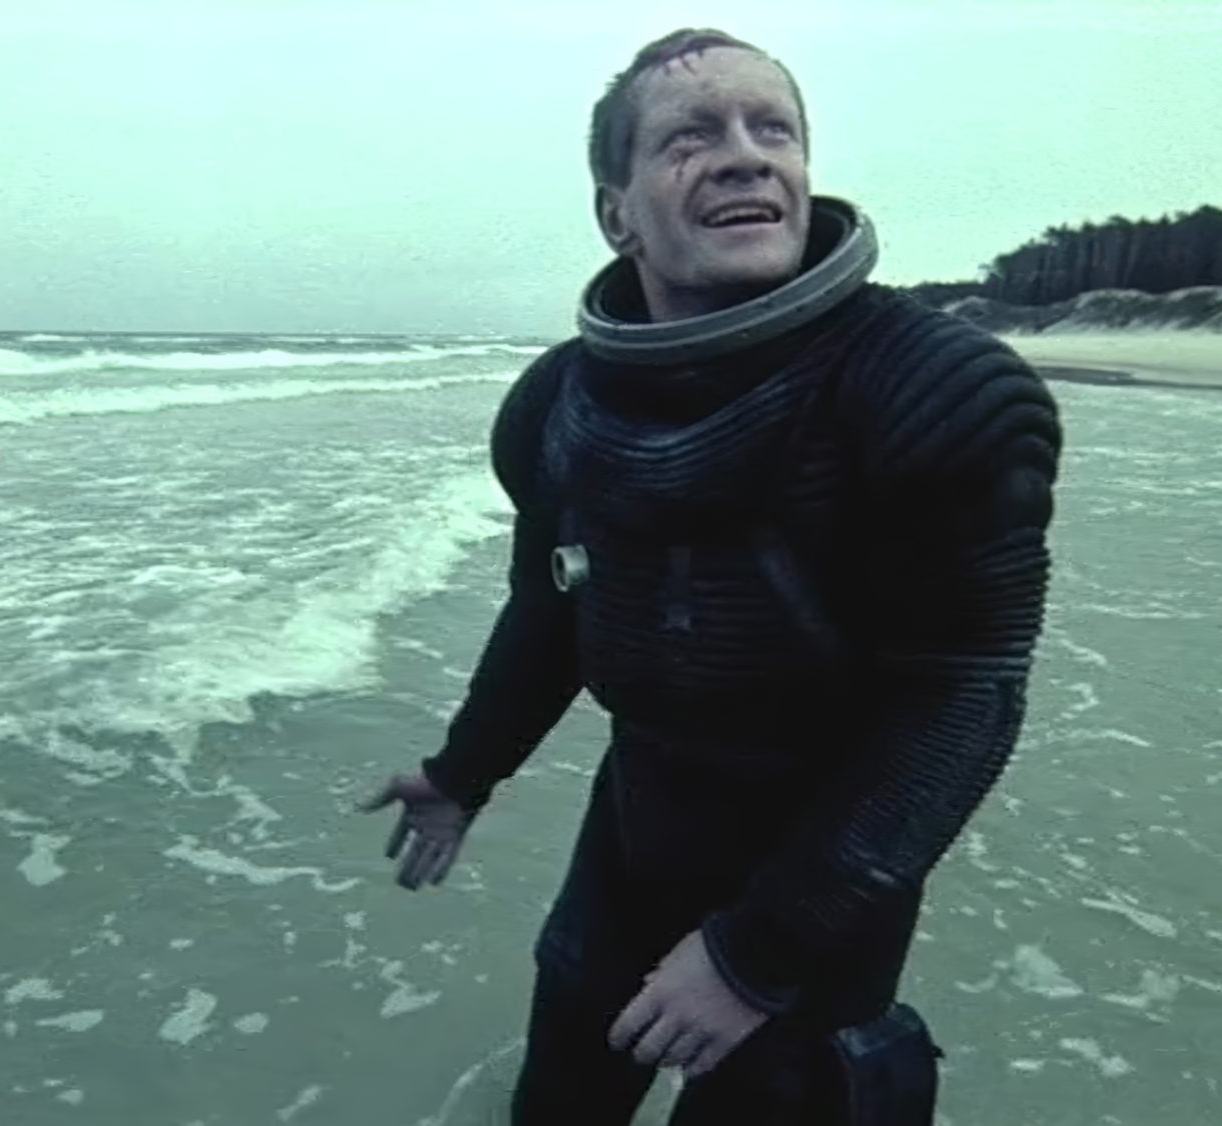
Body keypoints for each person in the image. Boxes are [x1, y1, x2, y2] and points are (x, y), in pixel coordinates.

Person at [362, 26, 1060, 1126]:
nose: (745, 156)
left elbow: (963, 697)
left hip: (826, 871)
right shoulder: (553, 406)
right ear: (617, 213)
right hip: (636, 832)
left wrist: (754, 953)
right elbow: (552, 604)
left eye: (772, 130)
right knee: (560, 1100)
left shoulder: (939, 392)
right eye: (691, 138)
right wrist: (464, 770)